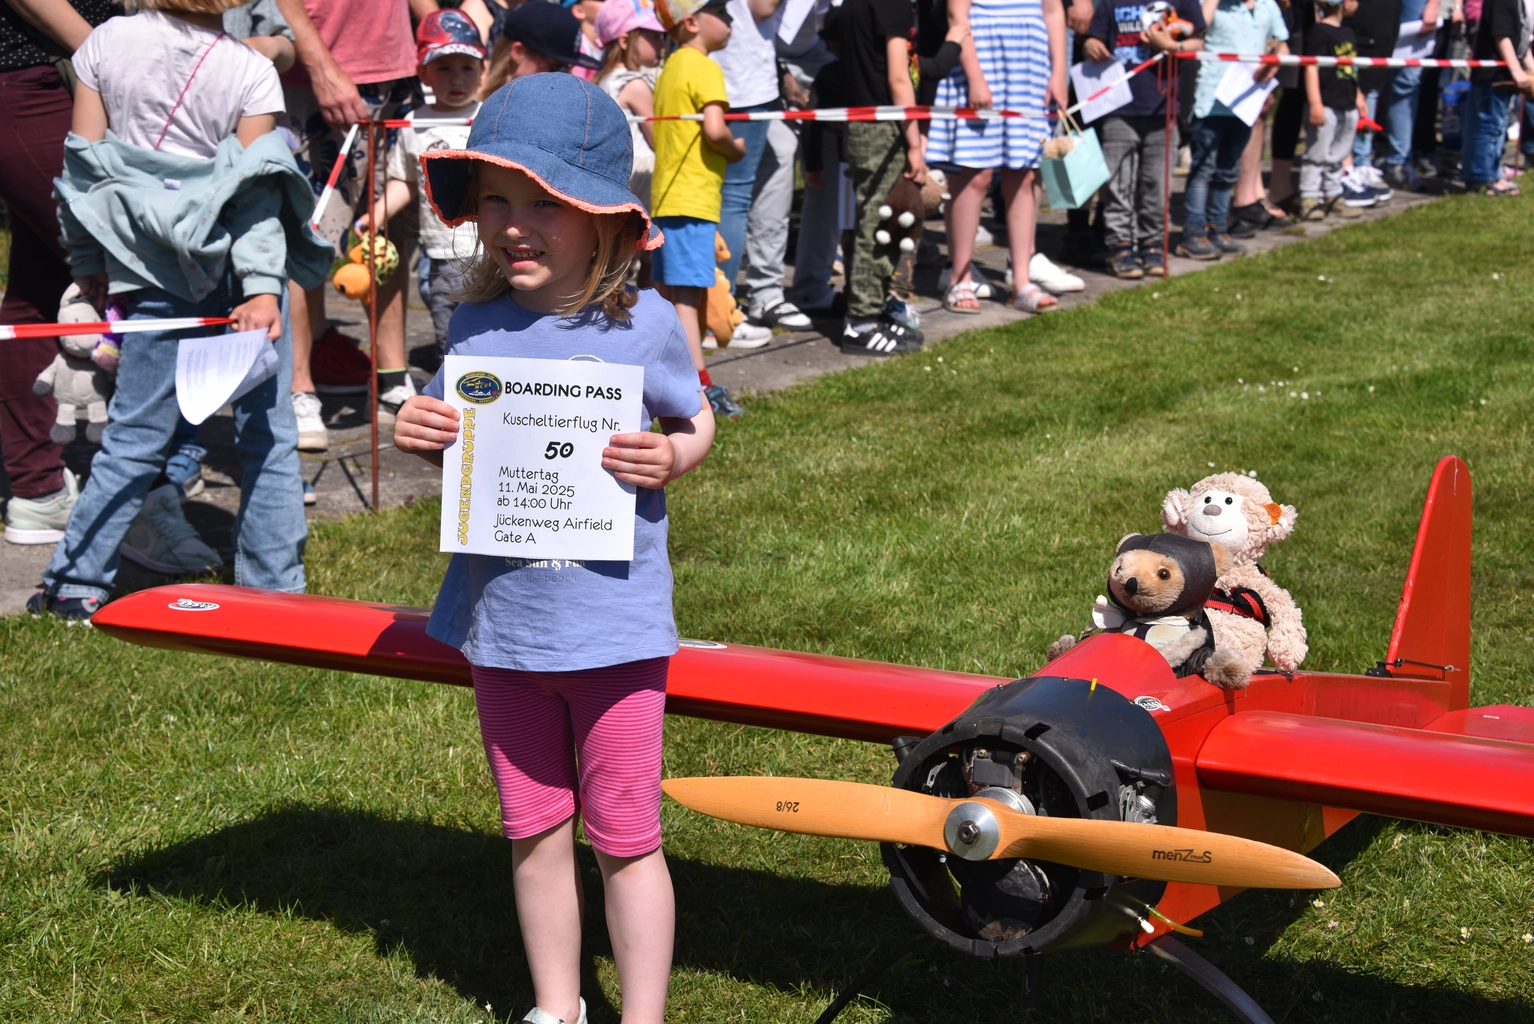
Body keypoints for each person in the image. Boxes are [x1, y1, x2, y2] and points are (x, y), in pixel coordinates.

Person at [392, 72, 714, 1024]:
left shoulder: (645, 324)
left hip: (614, 632)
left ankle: (643, 1015)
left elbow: (695, 417)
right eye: (496, 199)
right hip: (505, 632)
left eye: (545, 203)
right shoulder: (474, 325)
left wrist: (673, 455)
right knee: (533, 830)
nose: (514, 225)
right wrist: (423, 430)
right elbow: (456, 434)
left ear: (605, 219)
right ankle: (554, 1004)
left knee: (626, 837)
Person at [30, 0, 331, 619]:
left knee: (134, 437)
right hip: (241, 271)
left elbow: (81, 169)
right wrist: (260, 287)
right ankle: (275, 591)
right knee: (267, 435)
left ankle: (73, 587)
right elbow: (257, 191)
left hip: (151, 269)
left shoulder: (104, 44)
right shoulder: (249, 69)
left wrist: (87, 260)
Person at [273, 0, 426, 452]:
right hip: (314, 72)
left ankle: (391, 378)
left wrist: (433, 22)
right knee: (304, 230)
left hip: (396, 70)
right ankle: (300, 387)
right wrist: (321, 67)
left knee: (390, 228)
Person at [0, 0, 121, 546]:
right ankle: (142, 496)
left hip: (61, 74)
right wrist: (114, 58)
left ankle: (39, 493)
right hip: (36, 77)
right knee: (127, 283)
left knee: (40, 288)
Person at [357, 9, 483, 367]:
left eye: (467, 67)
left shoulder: (489, 115)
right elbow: (405, 180)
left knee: (495, 331)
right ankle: (458, 389)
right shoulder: (413, 122)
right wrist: (374, 215)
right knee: (450, 333)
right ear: (423, 73)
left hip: (491, 251)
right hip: (442, 254)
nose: (456, 78)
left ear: (483, 70)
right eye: (443, 68)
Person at [926, 0, 1068, 315]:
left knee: (1024, 173)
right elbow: (957, 14)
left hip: (1030, 64)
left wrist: (1059, 71)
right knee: (974, 174)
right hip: (979, 57)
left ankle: (1021, 282)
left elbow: (1054, 10)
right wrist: (975, 76)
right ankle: (959, 277)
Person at [651, 0, 749, 414]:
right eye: (721, 12)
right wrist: (736, 148)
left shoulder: (668, 69)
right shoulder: (705, 67)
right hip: (693, 200)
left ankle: (665, 380)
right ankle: (701, 389)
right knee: (688, 300)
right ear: (691, 22)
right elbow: (714, 129)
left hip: (665, 197)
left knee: (667, 297)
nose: (729, 19)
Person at [828, 0, 931, 352]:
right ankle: (861, 323)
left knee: (878, 223)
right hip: (882, 128)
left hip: (861, 124)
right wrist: (914, 144)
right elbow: (899, 79)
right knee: (879, 226)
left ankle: (873, 309)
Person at [1083, 0, 1206, 274]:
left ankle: (1153, 244)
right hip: (1118, 110)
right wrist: (1091, 45)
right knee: (1118, 185)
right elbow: (1093, 38)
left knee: (1157, 185)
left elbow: (1198, 43)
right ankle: (1120, 246)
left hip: (1163, 109)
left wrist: (1172, 46)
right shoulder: (1111, 3)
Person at [1179, 0, 1285, 261]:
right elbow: (1198, 27)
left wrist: (1273, 64)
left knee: (1228, 170)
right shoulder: (1213, 4)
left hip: (1246, 100)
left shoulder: (1267, 5)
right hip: (1210, 100)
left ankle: (1219, 227)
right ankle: (1193, 232)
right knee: (1203, 168)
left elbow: (1282, 43)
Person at [1300, 0, 1370, 219]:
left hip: (1347, 105)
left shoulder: (1348, 32)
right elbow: (1311, 67)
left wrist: (1358, 96)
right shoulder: (1319, 32)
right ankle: (1309, 197)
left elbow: (1351, 69)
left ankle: (1333, 195)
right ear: (1344, 3)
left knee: (1338, 154)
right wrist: (1315, 103)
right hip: (1326, 105)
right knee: (1317, 153)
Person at [595, 0, 668, 208]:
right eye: (655, 37)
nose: (662, 45)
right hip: (641, 175)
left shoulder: (604, 80)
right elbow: (659, 140)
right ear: (625, 41)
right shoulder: (634, 84)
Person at [1461, 0, 1534, 194]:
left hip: (1503, 76)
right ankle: (1480, 178)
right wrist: (1516, 70)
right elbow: (1501, 35)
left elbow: (1522, 42)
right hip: (1492, 76)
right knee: (1487, 128)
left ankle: (1493, 174)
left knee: (1499, 128)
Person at [480, 1, 603, 96]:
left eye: (568, 69)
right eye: (558, 67)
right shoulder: (473, 112)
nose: (565, 78)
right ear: (519, 53)